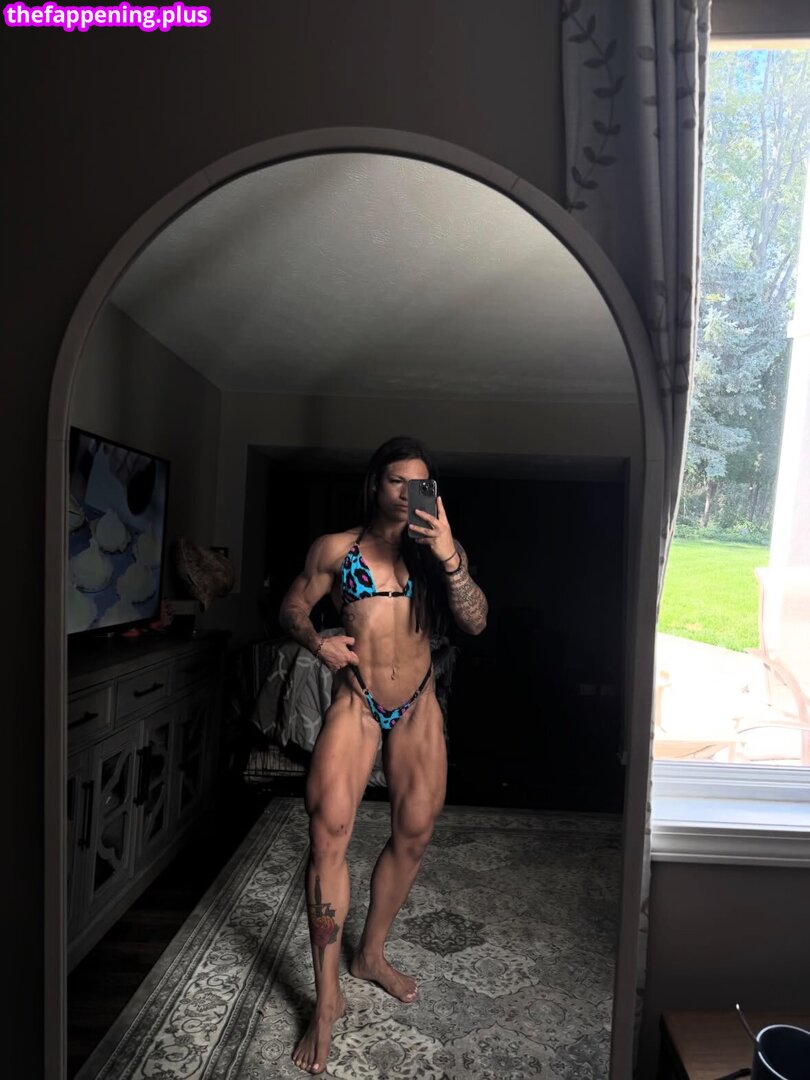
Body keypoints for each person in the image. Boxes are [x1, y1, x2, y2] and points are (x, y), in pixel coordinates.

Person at [279, 435, 488, 1075]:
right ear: (376, 484)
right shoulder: (337, 550)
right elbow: (292, 607)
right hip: (359, 701)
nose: (406, 494)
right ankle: (325, 999)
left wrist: (448, 553)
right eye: (397, 481)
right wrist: (318, 642)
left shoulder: (438, 554)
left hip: (419, 702)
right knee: (328, 834)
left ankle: (370, 954)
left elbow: (476, 621)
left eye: (419, 484)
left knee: (415, 830)